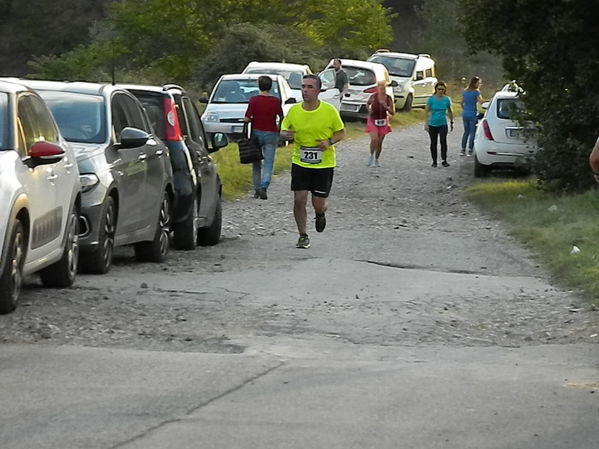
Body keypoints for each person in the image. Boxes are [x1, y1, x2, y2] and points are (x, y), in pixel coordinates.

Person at [281, 74, 345, 249]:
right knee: (299, 199)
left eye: (309, 87)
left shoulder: (329, 110)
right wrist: (284, 135)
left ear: (317, 91)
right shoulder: (294, 110)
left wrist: (329, 142)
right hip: (300, 161)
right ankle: (303, 235)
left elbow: (341, 132)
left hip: (323, 163)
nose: (305, 91)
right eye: (303, 87)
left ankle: (320, 213)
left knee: (318, 203)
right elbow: (284, 130)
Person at [244, 75, 284, 200]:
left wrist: (249, 120)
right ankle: (264, 186)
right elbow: (281, 116)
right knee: (268, 162)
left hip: (256, 132)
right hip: (271, 133)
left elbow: (247, 117)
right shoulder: (276, 101)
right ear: (271, 87)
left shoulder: (253, 100)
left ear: (259, 86)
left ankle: (256, 190)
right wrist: (279, 128)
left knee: (256, 162)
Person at [365, 80, 394, 167]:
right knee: (374, 139)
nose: (382, 90)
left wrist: (387, 108)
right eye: (380, 88)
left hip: (383, 121)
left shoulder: (388, 98)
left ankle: (376, 159)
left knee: (380, 142)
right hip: (373, 119)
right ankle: (371, 156)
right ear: (377, 88)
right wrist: (369, 109)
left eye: (384, 88)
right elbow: (367, 103)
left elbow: (393, 112)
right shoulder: (373, 97)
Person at [425, 81, 454, 167]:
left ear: (445, 90)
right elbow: (426, 111)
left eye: (442, 89)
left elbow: (450, 111)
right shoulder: (431, 99)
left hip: (442, 123)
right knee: (433, 142)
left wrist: (451, 121)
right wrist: (426, 123)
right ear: (436, 89)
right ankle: (434, 161)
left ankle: (444, 160)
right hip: (433, 123)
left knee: (443, 141)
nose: (440, 91)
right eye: (439, 89)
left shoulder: (446, 99)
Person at [460, 76, 484, 156]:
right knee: (472, 132)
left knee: (466, 131)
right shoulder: (476, 92)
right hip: (472, 113)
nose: (480, 84)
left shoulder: (465, 91)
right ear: (475, 83)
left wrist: (465, 109)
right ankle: (470, 149)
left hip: (465, 113)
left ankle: (463, 149)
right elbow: (481, 102)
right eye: (479, 83)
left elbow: (461, 102)